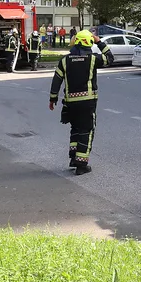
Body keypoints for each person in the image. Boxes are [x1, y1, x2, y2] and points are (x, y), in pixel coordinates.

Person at [48, 30, 105, 175]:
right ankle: (81, 165)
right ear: (89, 42)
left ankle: (74, 158)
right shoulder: (92, 59)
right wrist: (99, 42)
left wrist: (52, 98)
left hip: (70, 103)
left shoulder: (65, 60)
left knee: (75, 129)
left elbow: (56, 80)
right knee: (86, 131)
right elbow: (109, 58)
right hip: (87, 102)